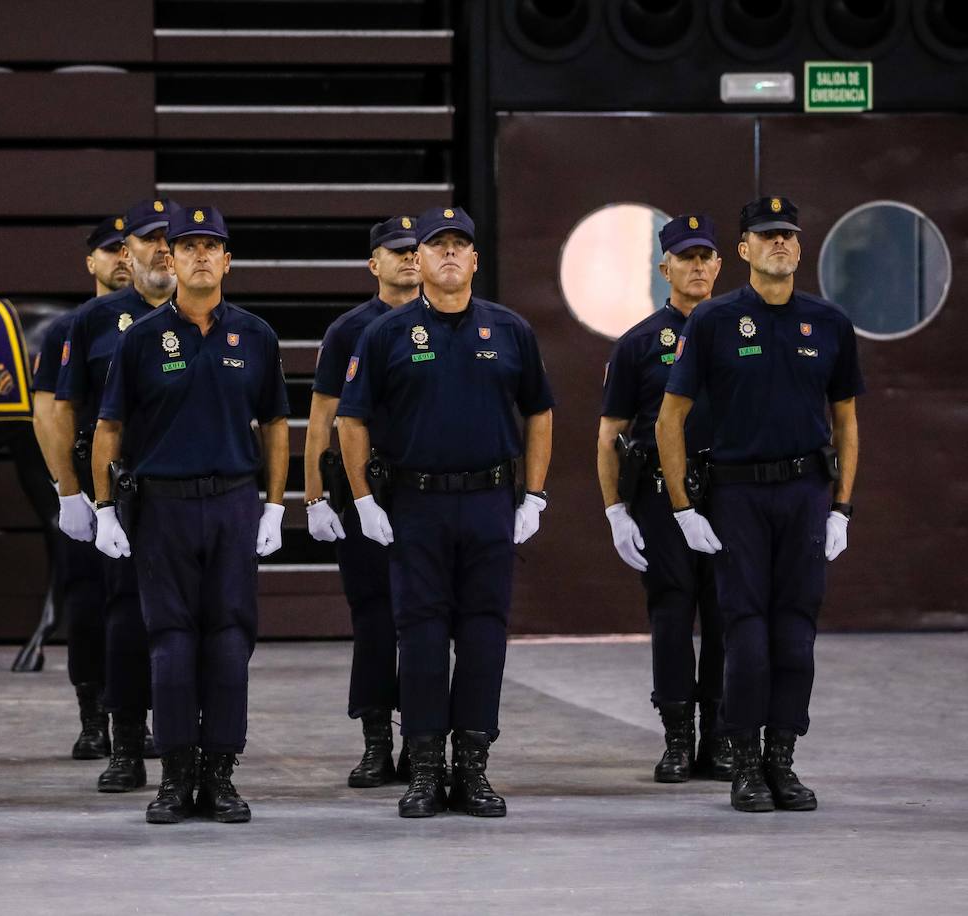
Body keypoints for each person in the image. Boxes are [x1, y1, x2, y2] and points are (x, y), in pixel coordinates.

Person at [336, 206, 554, 819]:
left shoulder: (510, 330)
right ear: (421, 260)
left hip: (489, 500)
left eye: (461, 244)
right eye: (438, 246)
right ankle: (426, 769)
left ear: (476, 260)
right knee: (422, 635)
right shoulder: (385, 334)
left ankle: (475, 768)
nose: (450, 254)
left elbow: (539, 411)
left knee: (484, 633)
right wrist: (361, 499)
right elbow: (349, 419)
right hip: (416, 503)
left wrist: (533, 494)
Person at [657, 196, 862, 813]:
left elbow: (847, 421)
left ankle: (782, 759)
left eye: (788, 236)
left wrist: (842, 507)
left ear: (800, 248)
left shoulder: (828, 322)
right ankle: (743, 760)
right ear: (743, 251)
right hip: (737, 493)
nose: (779, 244)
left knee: (796, 634)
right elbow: (671, 418)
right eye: (766, 236)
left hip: (804, 493)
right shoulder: (715, 321)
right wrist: (683, 506)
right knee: (745, 635)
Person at [93, 206, 290, 824]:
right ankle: (176, 775)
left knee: (230, 640)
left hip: (233, 501)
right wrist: (102, 509)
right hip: (164, 507)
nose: (201, 255)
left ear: (227, 261)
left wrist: (275, 506)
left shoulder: (255, 335)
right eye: (188, 246)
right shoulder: (141, 338)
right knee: (171, 643)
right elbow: (108, 427)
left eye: (213, 246)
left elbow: (278, 425)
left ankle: (221, 774)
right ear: (168, 260)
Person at [597, 213, 732, 784]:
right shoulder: (640, 343)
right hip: (659, 496)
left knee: (728, 615)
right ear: (665, 268)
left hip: (730, 493)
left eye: (705, 256)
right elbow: (610, 433)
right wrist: (615, 511)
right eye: (686, 257)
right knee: (673, 613)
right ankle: (678, 737)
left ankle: (722, 738)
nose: (696, 266)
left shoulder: (740, 331)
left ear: (720, 265)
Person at [52, 198, 180, 792]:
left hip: (191, 490)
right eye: (148, 239)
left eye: (169, 238)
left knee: (189, 620)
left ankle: (183, 736)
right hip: (119, 490)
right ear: (127, 253)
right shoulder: (93, 323)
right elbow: (61, 411)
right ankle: (120, 735)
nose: (160, 248)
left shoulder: (217, 320)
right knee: (118, 616)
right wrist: (73, 493)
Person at [304, 216, 421, 787]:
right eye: (396, 252)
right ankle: (377, 740)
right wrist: (315, 495)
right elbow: (322, 417)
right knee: (373, 619)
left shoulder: (446, 319)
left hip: (427, 492)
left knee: (426, 623)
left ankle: (424, 741)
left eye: (414, 250)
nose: (409, 259)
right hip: (363, 491)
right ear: (375, 264)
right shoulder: (350, 329)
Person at [30, 215, 132, 761]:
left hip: (147, 484)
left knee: (143, 609)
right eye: (108, 250)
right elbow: (47, 414)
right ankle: (93, 718)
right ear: (90, 262)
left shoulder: (169, 319)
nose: (120, 257)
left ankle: (143, 717)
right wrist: (68, 492)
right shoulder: (70, 329)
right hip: (89, 487)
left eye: (127, 248)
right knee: (89, 606)